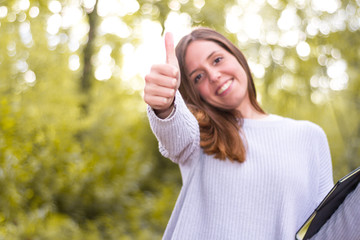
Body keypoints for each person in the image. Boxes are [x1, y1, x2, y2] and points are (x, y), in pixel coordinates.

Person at [143, 28, 334, 239]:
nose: (214, 76)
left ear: (237, 56)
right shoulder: (198, 135)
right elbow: (174, 129)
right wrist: (165, 105)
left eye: (217, 60)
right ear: (193, 93)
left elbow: (328, 227)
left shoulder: (310, 137)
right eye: (198, 77)